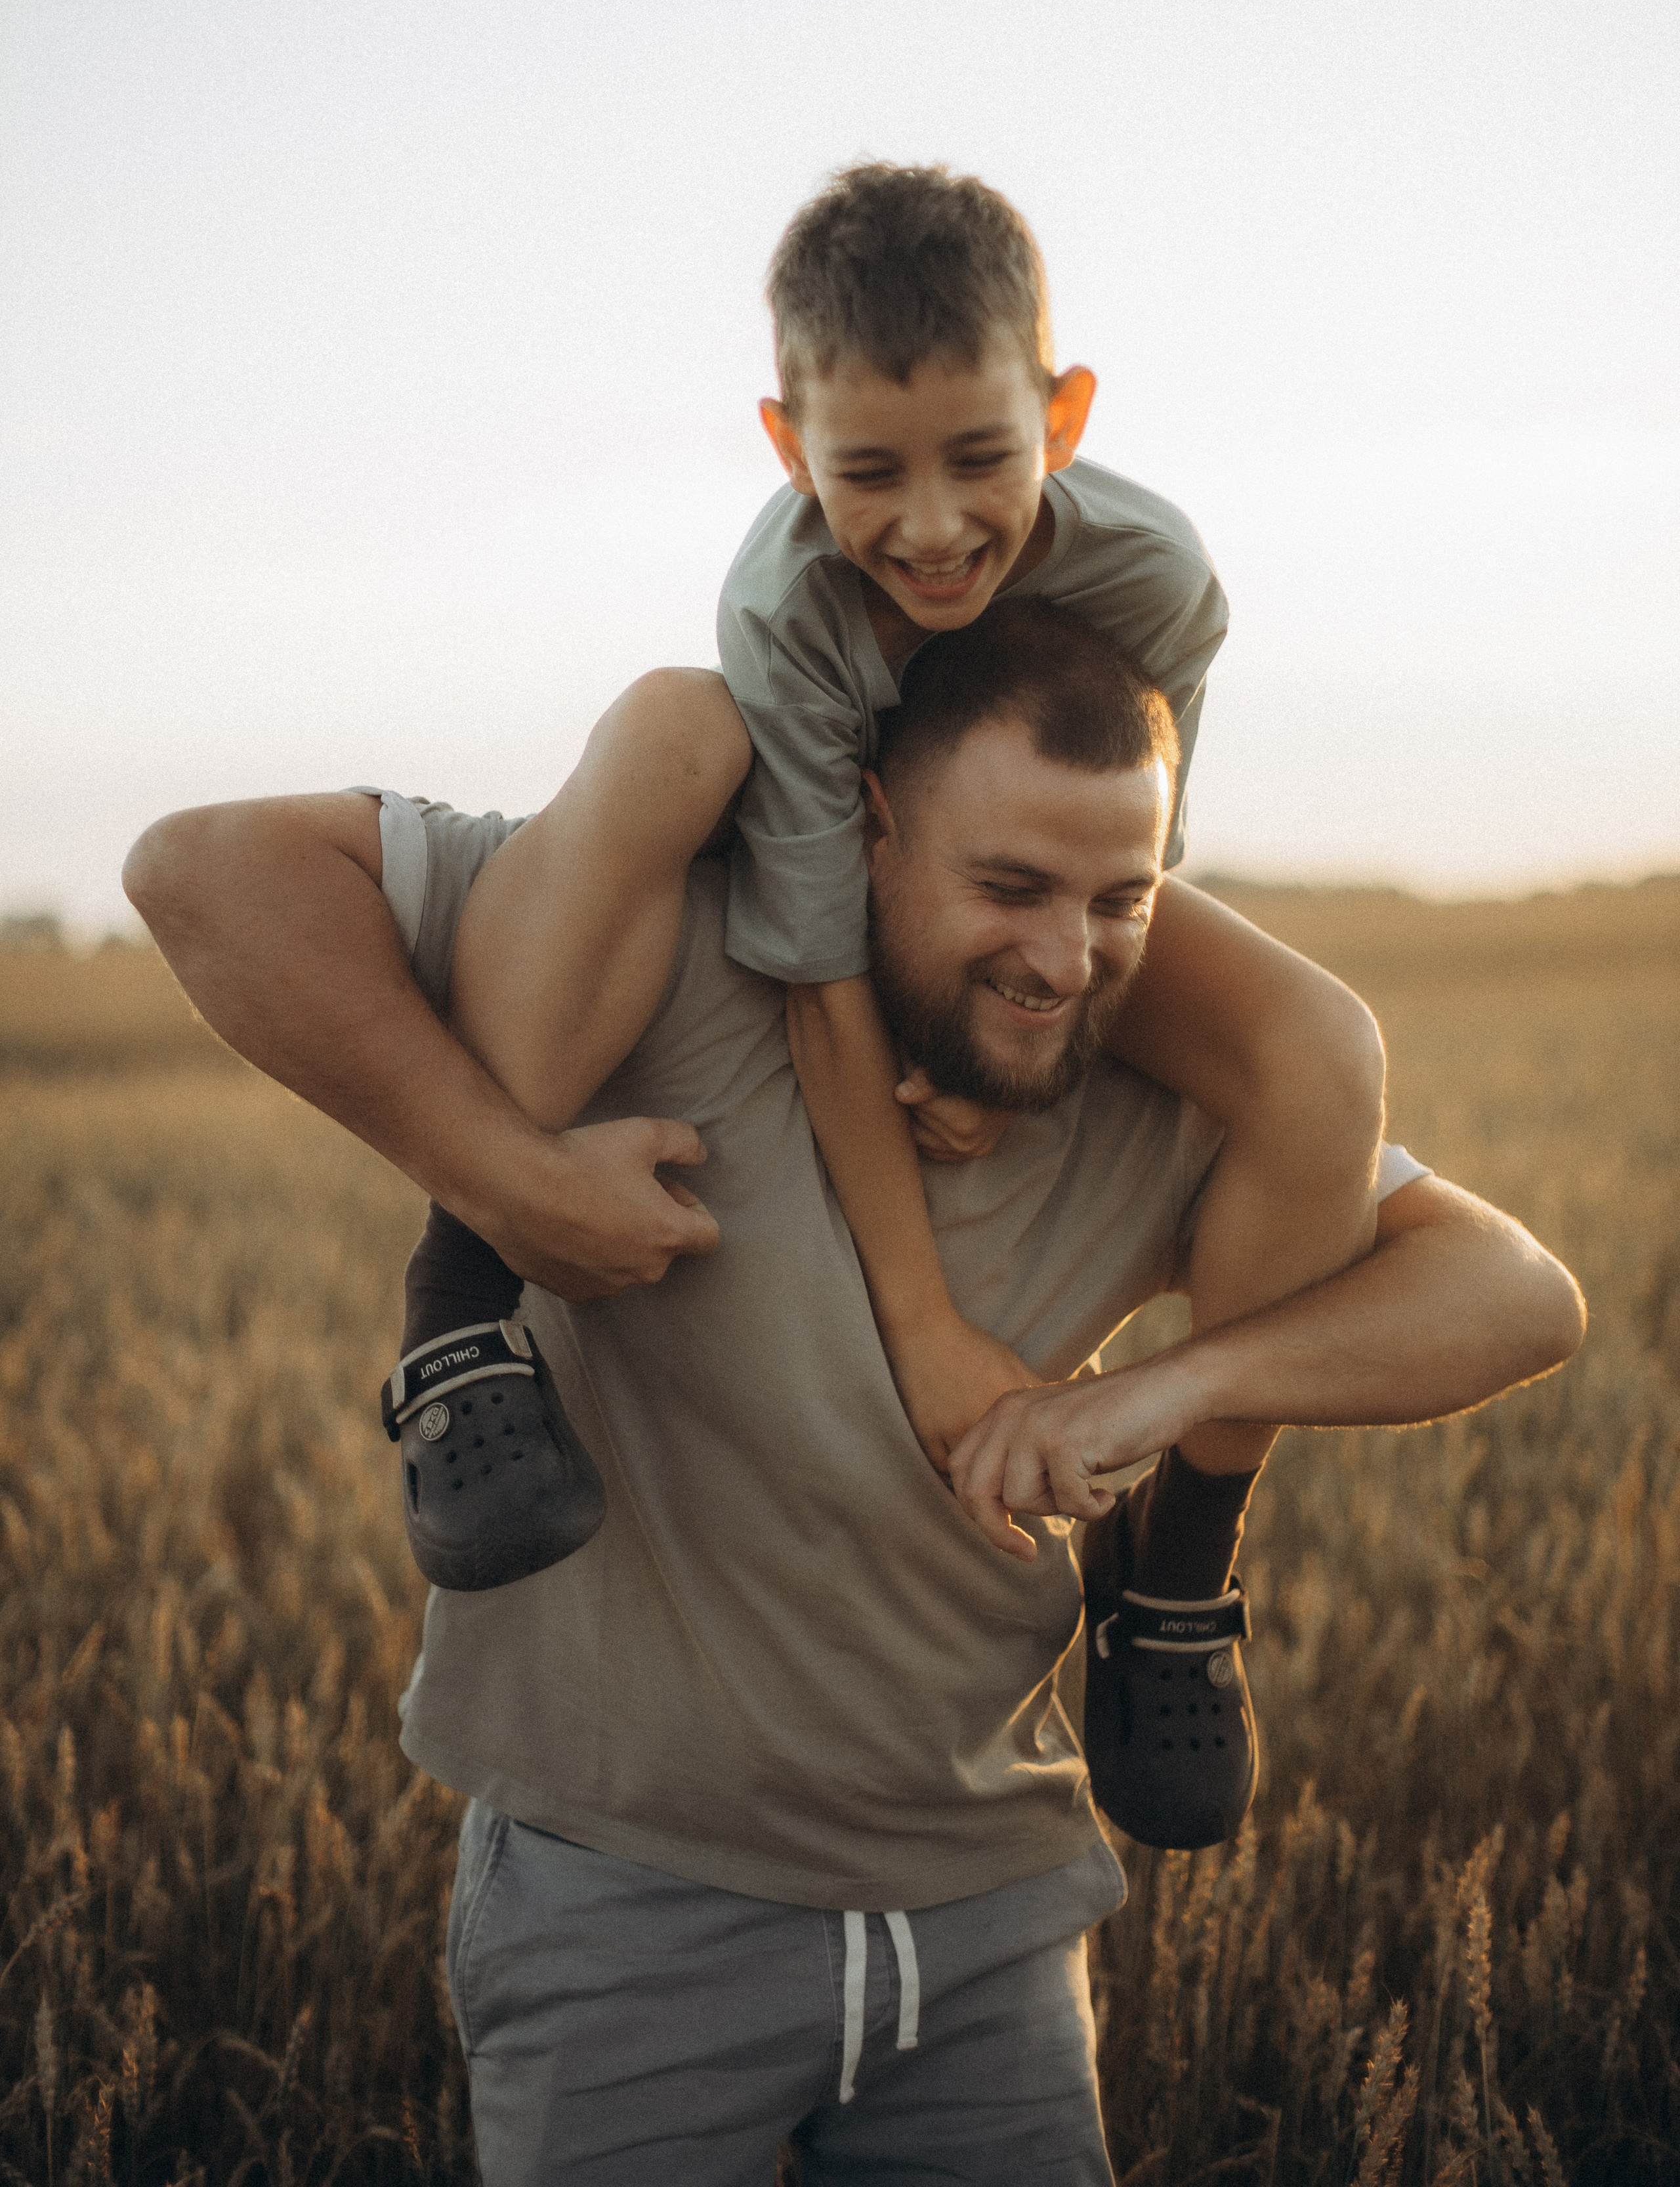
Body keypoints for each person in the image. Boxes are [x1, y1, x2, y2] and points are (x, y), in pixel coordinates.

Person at [125, 601, 1585, 2187]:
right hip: (625, 1914)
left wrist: (1170, 1392)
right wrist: (506, 1186)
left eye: (1119, 899)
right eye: (1006, 887)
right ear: (868, 829)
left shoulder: (1146, 1096)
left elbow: (1516, 1294)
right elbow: (200, 871)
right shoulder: (647, 949)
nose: (1059, 958)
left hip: (995, 1920)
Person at [390, 164, 1387, 1853]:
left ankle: (1180, 1574)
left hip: (1027, 884)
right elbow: (818, 962)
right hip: (862, 888)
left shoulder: (1160, 587)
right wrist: (921, 1321)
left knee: (1322, 1049)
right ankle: (453, 1292)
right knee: (667, 740)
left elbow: (1132, 862)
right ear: (787, 449)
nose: (929, 526)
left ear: (1061, 414)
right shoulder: (781, 615)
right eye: (867, 474)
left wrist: (1024, 1058)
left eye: (980, 459)